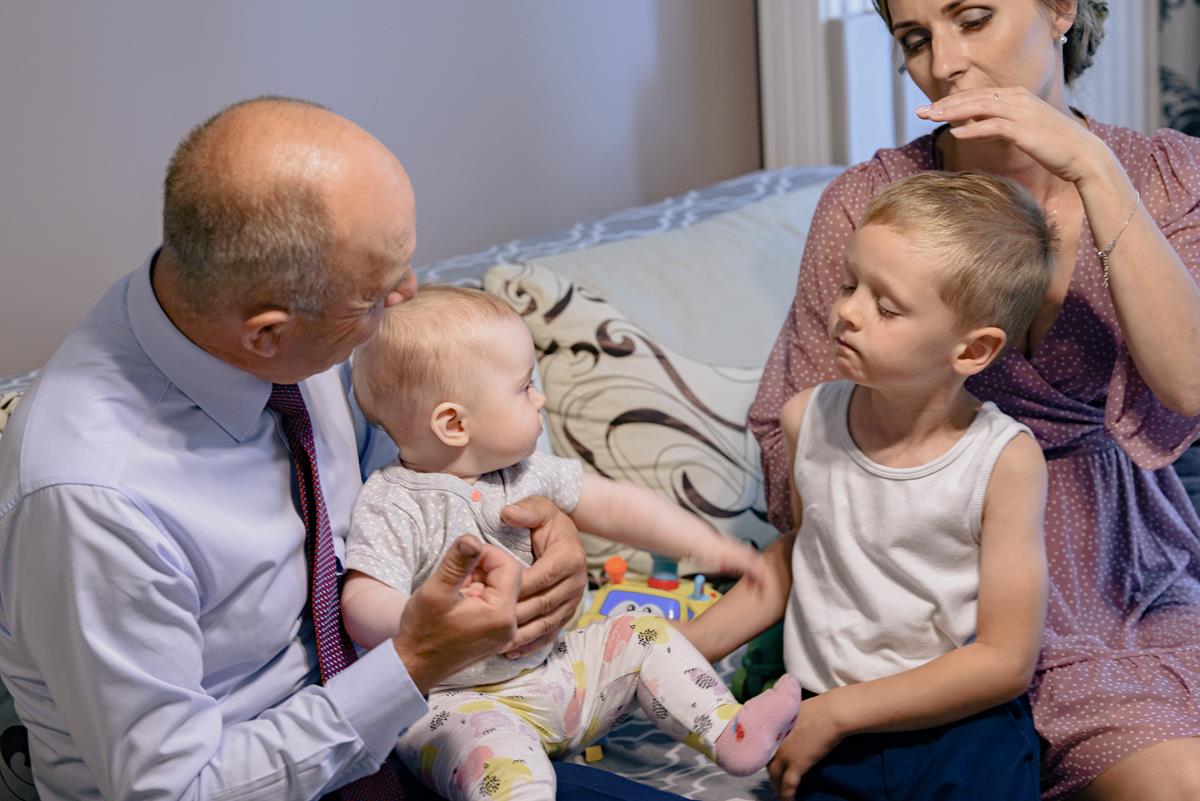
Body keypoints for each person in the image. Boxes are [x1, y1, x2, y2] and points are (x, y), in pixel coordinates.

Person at [0, 96, 618, 801]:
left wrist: (540, 523)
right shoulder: (92, 499)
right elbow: (175, 790)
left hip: (422, 728)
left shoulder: (288, 332)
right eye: (378, 293)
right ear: (266, 332)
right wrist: (414, 660)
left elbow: (425, 461)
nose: (408, 295)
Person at [745, 2, 1200, 798]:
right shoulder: (872, 201)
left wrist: (1093, 169)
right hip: (947, 585)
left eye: (974, 17)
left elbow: (1189, 382)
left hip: (1138, 561)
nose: (944, 63)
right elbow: (805, 445)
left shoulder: (1168, 176)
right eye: (915, 38)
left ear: (1060, 9)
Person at [340, 284, 800, 800]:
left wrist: (705, 543)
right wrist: (423, 616)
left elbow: (615, 504)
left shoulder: (526, 471)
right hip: (457, 704)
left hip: (554, 674)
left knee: (645, 633)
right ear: (454, 423)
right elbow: (361, 600)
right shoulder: (394, 502)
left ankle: (729, 731)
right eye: (523, 387)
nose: (539, 397)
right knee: (502, 764)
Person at [682, 171, 1052, 801]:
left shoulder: (1004, 460)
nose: (847, 312)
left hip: (959, 729)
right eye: (850, 284)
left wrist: (840, 712)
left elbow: (1006, 660)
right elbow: (808, 553)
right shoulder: (807, 420)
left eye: (886, 307)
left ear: (972, 351)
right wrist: (670, 653)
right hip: (824, 728)